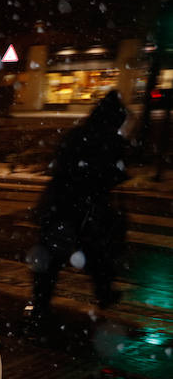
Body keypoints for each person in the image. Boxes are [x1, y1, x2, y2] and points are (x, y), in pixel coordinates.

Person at [28, 90, 130, 325]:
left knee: (53, 258)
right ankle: (102, 293)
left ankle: (41, 305)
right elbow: (111, 174)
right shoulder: (107, 140)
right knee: (94, 253)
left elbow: (61, 164)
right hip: (82, 207)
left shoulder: (81, 134)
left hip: (63, 205)